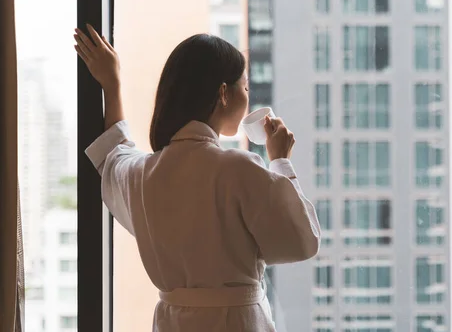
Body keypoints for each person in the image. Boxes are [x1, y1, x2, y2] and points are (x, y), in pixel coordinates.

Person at [73, 24, 321, 331]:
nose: (248, 97)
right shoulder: (240, 168)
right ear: (223, 94)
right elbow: (301, 241)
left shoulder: (142, 175)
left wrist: (111, 84)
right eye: (244, 88)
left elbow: (114, 155)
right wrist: (281, 161)